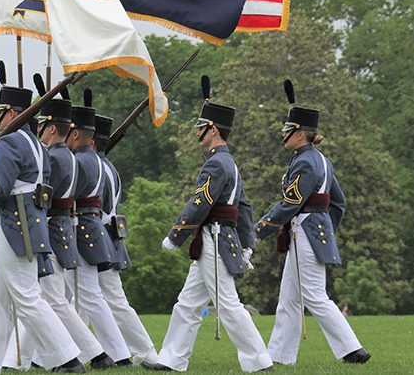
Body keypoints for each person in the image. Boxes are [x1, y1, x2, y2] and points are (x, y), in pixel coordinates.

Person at [0, 76, 84, 374]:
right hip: (24, 222)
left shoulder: (10, 142)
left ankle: (69, 360)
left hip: (14, 224)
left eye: (1, 112)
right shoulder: (35, 144)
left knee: (26, 297)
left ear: (12, 112)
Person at [144, 78, 273, 373]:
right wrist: (248, 241)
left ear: (212, 129)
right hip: (215, 240)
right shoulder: (230, 163)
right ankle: (171, 360)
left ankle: (259, 361)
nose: (196, 131)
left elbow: (200, 203)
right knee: (187, 303)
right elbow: (245, 206)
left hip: (213, 240)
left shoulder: (216, 164)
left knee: (227, 305)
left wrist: (176, 235)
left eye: (200, 126)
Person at [254, 88, 371, 366]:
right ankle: (280, 355)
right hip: (309, 231)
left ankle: (353, 350)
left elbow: (290, 203)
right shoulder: (321, 160)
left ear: (299, 133)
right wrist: (327, 230)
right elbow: (338, 203)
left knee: (315, 296)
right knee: (289, 299)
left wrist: (260, 228)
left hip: (304, 231)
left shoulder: (305, 161)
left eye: (287, 130)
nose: (283, 135)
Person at [2, 95, 115, 370]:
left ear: (51, 127)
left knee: (49, 299)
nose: (38, 128)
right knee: (43, 298)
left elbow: (40, 195)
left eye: (42, 123)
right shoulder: (67, 155)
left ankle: (92, 354)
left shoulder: (54, 156)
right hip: (59, 228)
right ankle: (18, 360)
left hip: (48, 228)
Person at [64, 91, 132, 366]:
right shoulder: (93, 160)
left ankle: (105, 354)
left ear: (77, 133)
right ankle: (116, 354)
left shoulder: (80, 160)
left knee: (79, 297)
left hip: (79, 228)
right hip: (89, 229)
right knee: (85, 298)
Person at [94, 114, 160, 366]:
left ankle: (143, 353)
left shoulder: (96, 167)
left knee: (114, 301)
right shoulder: (108, 167)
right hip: (106, 237)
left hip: (97, 238)